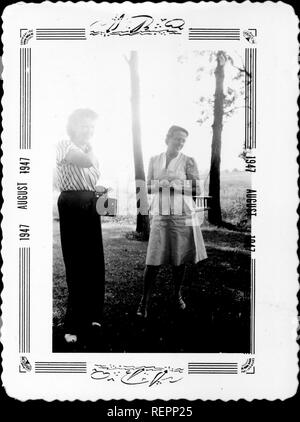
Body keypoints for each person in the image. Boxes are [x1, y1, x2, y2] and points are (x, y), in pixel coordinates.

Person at [137, 125, 207, 318]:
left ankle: (177, 295)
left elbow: (197, 190)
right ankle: (144, 301)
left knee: (179, 258)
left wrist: (176, 185)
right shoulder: (154, 160)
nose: (180, 143)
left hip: (181, 215)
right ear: (168, 138)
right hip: (160, 214)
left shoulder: (188, 161)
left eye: (183, 140)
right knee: (153, 260)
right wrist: (161, 184)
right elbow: (148, 186)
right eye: (177, 138)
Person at [56, 108, 106, 343]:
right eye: (85, 125)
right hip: (72, 204)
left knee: (95, 262)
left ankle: (94, 316)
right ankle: (72, 325)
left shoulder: (89, 149)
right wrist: (92, 152)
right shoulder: (64, 145)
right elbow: (85, 161)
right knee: (76, 263)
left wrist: (99, 192)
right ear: (73, 126)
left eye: (92, 127)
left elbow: (91, 175)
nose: (89, 130)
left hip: (90, 203)